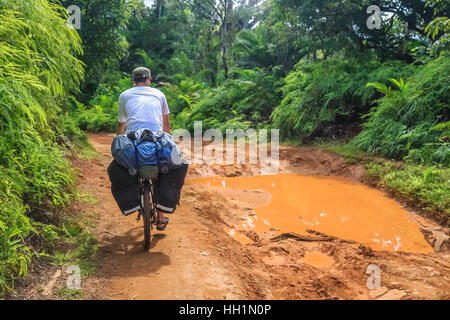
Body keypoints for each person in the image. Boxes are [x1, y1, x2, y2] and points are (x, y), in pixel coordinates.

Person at [116, 67, 171, 231]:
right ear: (149, 80)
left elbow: (121, 124)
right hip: (157, 138)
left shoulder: (124, 95)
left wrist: (118, 142)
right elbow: (166, 123)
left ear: (133, 81)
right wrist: (168, 140)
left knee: (126, 167)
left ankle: (132, 203)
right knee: (165, 170)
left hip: (134, 139)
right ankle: (161, 218)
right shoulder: (159, 94)